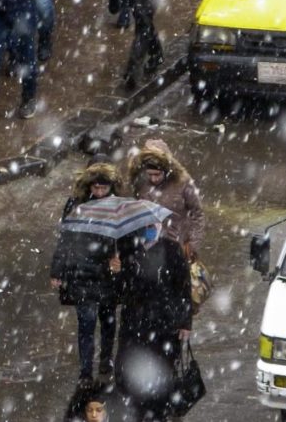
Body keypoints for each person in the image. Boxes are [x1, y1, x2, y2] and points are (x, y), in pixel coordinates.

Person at [111, 225, 192, 421]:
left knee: (163, 368)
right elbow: (119, 293)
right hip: (135, 323)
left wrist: (185, 322)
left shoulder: (172, 249)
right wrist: (117, 272)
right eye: (146, 226)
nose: (150, 229)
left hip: (164, 323)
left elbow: (183, 288)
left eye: (154, 225)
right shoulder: (127, 250)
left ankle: (160, 410)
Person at [51, 162, 122, 382]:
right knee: (86, 324)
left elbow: (128, 239)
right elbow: (65, 239)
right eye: (96, 188)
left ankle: (106, 359)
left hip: (108, 274)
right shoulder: (76, 205)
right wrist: (57, 271)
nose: (99, 193)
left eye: (104, 188)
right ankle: (85, 371)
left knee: (108, 320)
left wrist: (120, 258)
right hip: (81, 272)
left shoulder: (119, 207)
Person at [127, 139, 206, 258]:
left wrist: (192, 244)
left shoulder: (183, 182)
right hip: (149, 243)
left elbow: (198, 213)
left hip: (176, 242)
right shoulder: (140, 181)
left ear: (166, 170)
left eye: (157, 175)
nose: (153, 179)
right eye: (150, 174)